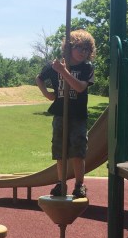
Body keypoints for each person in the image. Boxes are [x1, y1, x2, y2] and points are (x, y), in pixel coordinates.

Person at [35, 29, 96, 199]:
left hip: (78, 116)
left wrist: (63, 71)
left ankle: (79, 185)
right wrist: (47, 94)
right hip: (60, 114)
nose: (83, 52)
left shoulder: (87, 68)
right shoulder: (55, 66)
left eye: (87, 49)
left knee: (78, 151)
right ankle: (61, 183)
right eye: (80, 47)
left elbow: (80, 87)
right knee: (59, 150)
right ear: (69, 48)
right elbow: (39, 78)